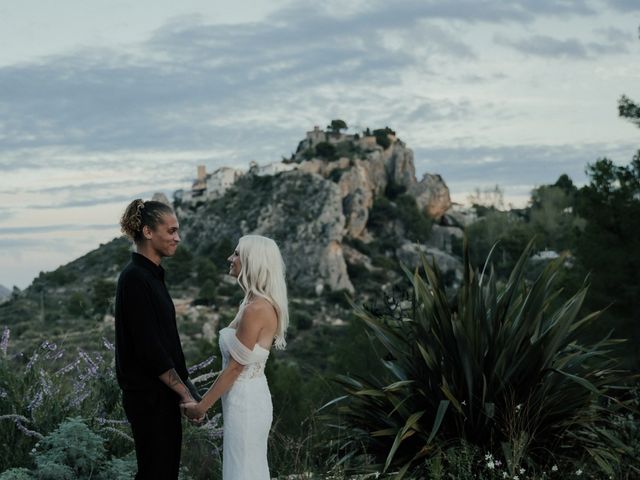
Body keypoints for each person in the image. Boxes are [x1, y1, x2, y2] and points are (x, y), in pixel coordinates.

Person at [182, 235, 289, 480]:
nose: (230, 258)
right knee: (244, 467)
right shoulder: (249, 303)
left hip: (246, 404)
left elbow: (235, 368)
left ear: (253, 261)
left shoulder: (256, 309)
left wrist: (200, 407)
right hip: (242, 399)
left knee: (242, 471)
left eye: (237, 254)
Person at [115, 198, 201, 480]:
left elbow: (168, 345)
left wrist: (189, 390)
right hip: (148, 398)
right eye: (171, 231)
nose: (177, 238)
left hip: (162, 396)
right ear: (149, 232)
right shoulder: (135, 278)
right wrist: (186, 395)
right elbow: (150, 349)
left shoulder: (151, 277)